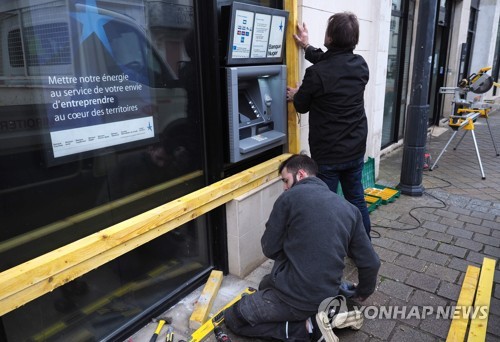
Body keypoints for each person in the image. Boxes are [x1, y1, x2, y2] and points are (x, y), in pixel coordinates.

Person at [224, 154, 380, 342]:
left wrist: (292, 249)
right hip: (326, 293)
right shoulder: (350, 209)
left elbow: (269, 248)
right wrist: (362, 292)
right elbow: (371, 262)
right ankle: (335, 306)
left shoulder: (289, 198)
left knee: (234, 316)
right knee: (265, 284)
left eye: (285, 180)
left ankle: (308, 328)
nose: (285, 186)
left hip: (297, 298)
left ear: (301, 174)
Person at [286, 13, 371, 236]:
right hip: (355, 148)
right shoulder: (360, 66)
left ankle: (327, 251)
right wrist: (306, 46)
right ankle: (363, 248)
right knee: (356, 199)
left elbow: (302, 106)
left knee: (326, 205)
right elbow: (333, 63)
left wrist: (297, 93)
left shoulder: (316, 74)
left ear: (330, 38)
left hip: (328, 154)